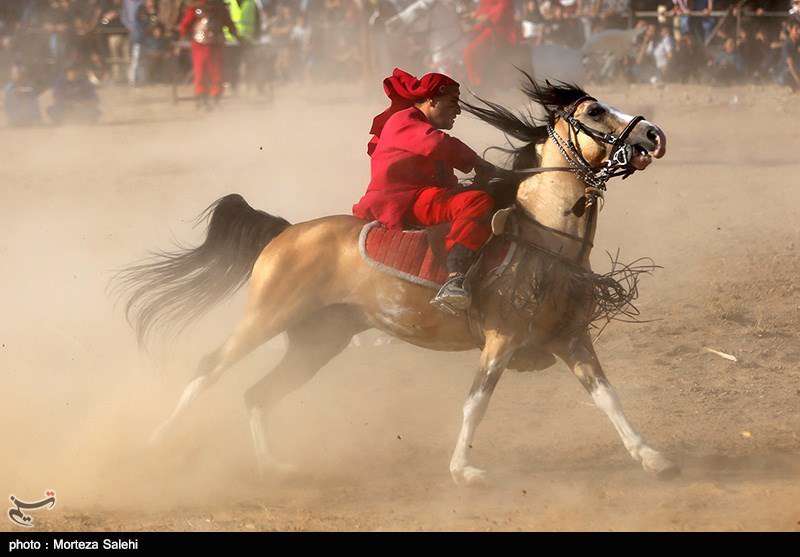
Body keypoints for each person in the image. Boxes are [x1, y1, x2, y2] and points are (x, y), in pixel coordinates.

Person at [352, 68, 499, 313]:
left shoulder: (420, 125)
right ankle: (455, 277)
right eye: (453, 103)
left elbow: (442, 177)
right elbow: (436, 145)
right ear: (432, 100)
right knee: (476, 202)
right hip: (402, 201)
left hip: (418, 197)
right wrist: (478, 163)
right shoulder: (404, 119)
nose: (459, 111)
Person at [178, 0, 240, 108]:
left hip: (216, 43)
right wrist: (185, 34)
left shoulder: (220, 8)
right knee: (201, 70)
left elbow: (228, 22)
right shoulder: (196, 7)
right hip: (200, 44)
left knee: (216, 71)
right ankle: (202, 96)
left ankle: (215, 95)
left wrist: (234, 33)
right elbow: (186, 24)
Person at [464, 0, 518, 87]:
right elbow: (482, 8)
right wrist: (474, 16)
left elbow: (502, 8)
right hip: (485, 26)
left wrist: (486, 17)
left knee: (469, 50)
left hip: (499, 27)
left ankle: (477, 83)